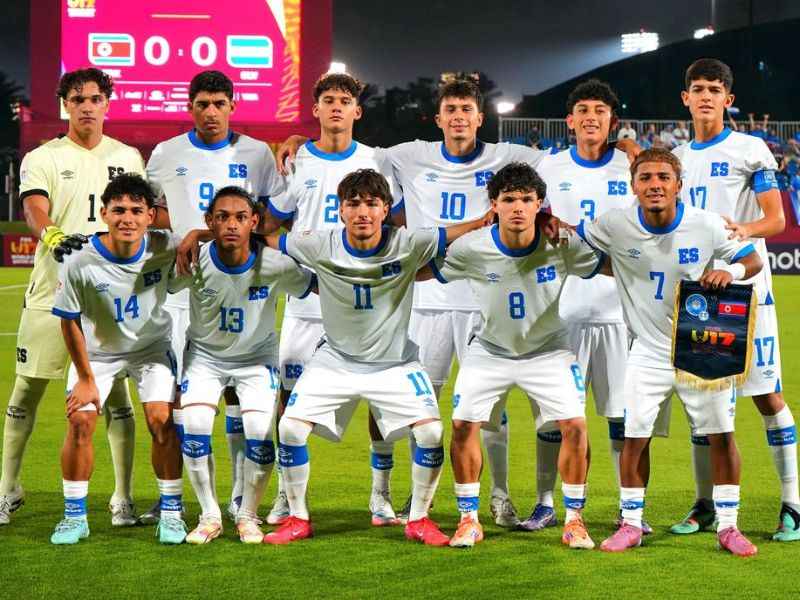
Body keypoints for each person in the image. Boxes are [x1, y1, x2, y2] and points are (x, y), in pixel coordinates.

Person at [262, 168, 489, 546]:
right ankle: (298, 518)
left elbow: (460, 231)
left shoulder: (409, 241)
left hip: (395, 362)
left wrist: (489, 219)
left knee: (431, 432)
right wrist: (202, 236)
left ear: (386, 209)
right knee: (289, 427)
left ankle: (418, 519)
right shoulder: (318, 243)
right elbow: (265, 240)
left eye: (372, 204)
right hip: (335, 359)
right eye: (353, 204)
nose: (363, 212)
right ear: (340, 211)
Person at [575, 148, 762, 556]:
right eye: (645, 178)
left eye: (663, 177)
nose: (654, 184)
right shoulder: (615, 225)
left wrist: (728, 271)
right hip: (646, 351)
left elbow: (751, 260)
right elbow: (571, 238)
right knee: (634, 437)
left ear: (679, 184)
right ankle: (631, 523)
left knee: (721, 435)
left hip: (700, 351)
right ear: (634, 186)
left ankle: (728, 526)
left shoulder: (706, 224)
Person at [430, 162, 601, 549]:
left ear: (541, 203)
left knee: (575, 425)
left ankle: (574, 520)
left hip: (549, 350)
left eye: (527, 199)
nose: (518, 207)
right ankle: (469, 519)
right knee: (462, 426)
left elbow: (606, 265)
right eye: (509, 199)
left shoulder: (562, 243)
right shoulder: (472, 247)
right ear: (494, 204)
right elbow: (426, 272)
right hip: (490, 350)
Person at [1, 68, 144, 527]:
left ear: (107, 103)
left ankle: (121, 498)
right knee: (26, 392)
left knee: (117, 400)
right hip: (50, 293)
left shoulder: (127, 158)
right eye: (77, 98)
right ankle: (8, 489)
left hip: (108, 301)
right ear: (66, 104)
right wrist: (50, 233)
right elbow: (33, 206)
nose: (86, 105)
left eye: (95, 98)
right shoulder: (43, 156)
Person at [145, 70, 284, 523]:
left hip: (238, 286)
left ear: (232, 105)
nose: (210, 112)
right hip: (184, 289)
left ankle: (241, 499)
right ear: (190, 106)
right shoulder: (167, 153)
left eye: (219, 103)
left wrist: (204, 231)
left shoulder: (257, 152)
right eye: (202, 104)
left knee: (239, 402)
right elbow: (155, 209)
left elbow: (266, 220)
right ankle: (173, 496)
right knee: (179, 406)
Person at [263, 72, 402, 527]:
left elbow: (395, 225)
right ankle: (287, 497)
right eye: (328, 100)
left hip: (366, 304)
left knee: (380, 401)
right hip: (309, 304)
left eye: (345, 100)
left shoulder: (377, 161)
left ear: (357, 111)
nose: (337, 107)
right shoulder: (297, 161)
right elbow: (271, 225)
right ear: (316, 109)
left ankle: (380, 495)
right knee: (288, 399)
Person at [671, 58, 799, 542]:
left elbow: (777, 221)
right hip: (699, 295)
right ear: (685, 99)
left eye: (715, 89)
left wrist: (741, 231)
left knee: (766, 396)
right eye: (698, 88)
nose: (706, 96)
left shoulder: (751, 149)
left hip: (748, 291)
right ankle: (706, 505)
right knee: (703, 401)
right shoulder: (678, 158)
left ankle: (793, 504)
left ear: (728, 98)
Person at [170, 186, 314, 544]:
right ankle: (209, 516)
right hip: (204, 358)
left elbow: (312, 286)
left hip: (256, 361)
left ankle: (248, 514)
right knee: (195, 425)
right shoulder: (193, 260)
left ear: (253, 222)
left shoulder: (275, 264)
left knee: (260, 436)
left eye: (239, 217)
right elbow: (162, 282)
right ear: (209, 222)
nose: (231, 224)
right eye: (221, 218)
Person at [49, 174, 185, 545]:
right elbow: (69, 321)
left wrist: (195, 238)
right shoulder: (79, 260)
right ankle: (74, 517)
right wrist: (86, 378)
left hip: (151, 350)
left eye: (137, 211)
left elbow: (203, 238)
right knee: (79, 421)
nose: (128, 218)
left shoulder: (166, 245)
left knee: (162, 421)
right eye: (119, 210)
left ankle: (171, 513)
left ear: (151, 215)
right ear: (104, 213)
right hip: (97, 355)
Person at [533, 79, 640, 532]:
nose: (591, 116)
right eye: (583, 109)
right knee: (554, 417)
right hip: (563, 312)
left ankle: (626, 509)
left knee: (621, 416)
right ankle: (544, 502)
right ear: (570, 121)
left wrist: (634, 146)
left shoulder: (634, 166)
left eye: (600, 109)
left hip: (620, 311)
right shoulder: (548, 167)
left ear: (612, 121)